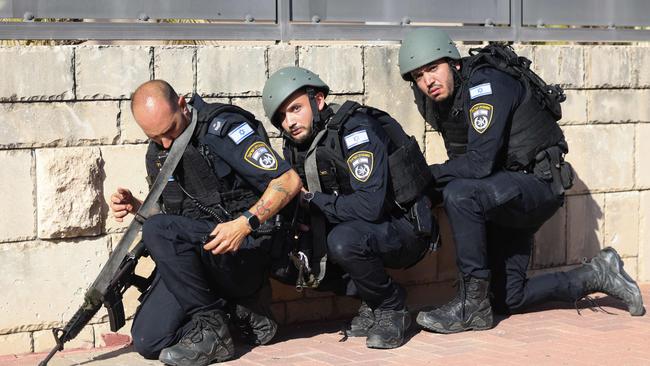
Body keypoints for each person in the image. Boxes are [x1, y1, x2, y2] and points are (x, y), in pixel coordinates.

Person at [397, 28, 645, 334]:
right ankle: (596, 274)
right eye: (419, 76)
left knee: (460, 193)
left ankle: (471, 305)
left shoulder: (485, 85)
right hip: (503, 191)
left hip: (535, 187)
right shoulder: (448, 100)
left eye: (433, 68)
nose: (428, 81)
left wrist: (421, 178)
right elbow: (465, 165)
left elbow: (477, 165)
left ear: (454, 63)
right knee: (507, 297)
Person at [109, 80, 302, 365]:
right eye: (154, 137)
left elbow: (289, 180)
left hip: (243, 254)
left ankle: (214, 332)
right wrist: (138, 207)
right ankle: (238, 315)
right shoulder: (160, 150)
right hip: (203, 259)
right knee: (149, 340)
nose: (164, 143)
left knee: (156, 230)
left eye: (169, 131)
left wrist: (244, 223)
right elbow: (174, 222)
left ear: (183, 105)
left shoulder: (222, 129)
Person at [261, 66, 436, 349]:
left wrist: (311, 201)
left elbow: (369, 208)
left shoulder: (356, 130)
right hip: (359, 226)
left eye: (295, 109)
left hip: (404, 229)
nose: (289, 122)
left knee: (342, 240)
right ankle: (372, 299)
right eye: (281, 117)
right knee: (279, 243)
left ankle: (392, 307)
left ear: (318, 101)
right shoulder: (298, 145)